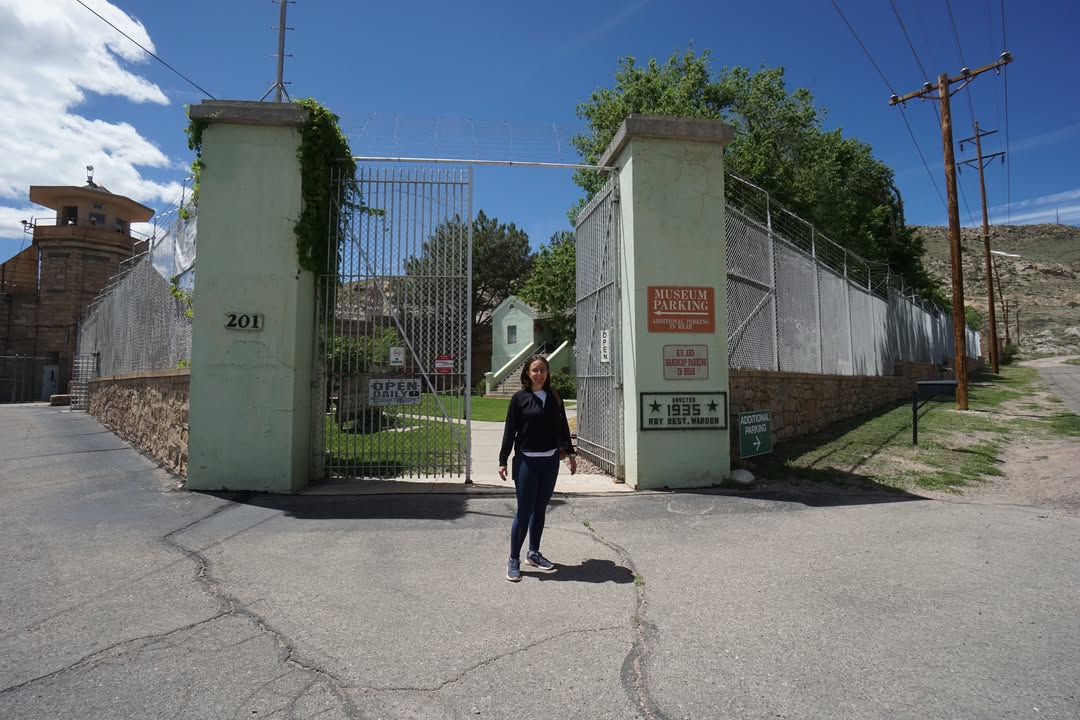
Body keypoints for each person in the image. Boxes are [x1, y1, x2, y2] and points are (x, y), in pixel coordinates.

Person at [498, 354, 577, 582]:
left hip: (549, 461)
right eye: (535, 370)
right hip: (526, 461)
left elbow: (562, 428)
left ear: (547, 373)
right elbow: (509, 431)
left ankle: (533, 553)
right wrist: (503, 460)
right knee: (524, 512)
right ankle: (513, 559)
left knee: (540, 509)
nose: (539, 374)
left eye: (542, 370)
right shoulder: (519, 399)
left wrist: (570, 454)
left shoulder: (554, 397)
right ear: (527, 373)